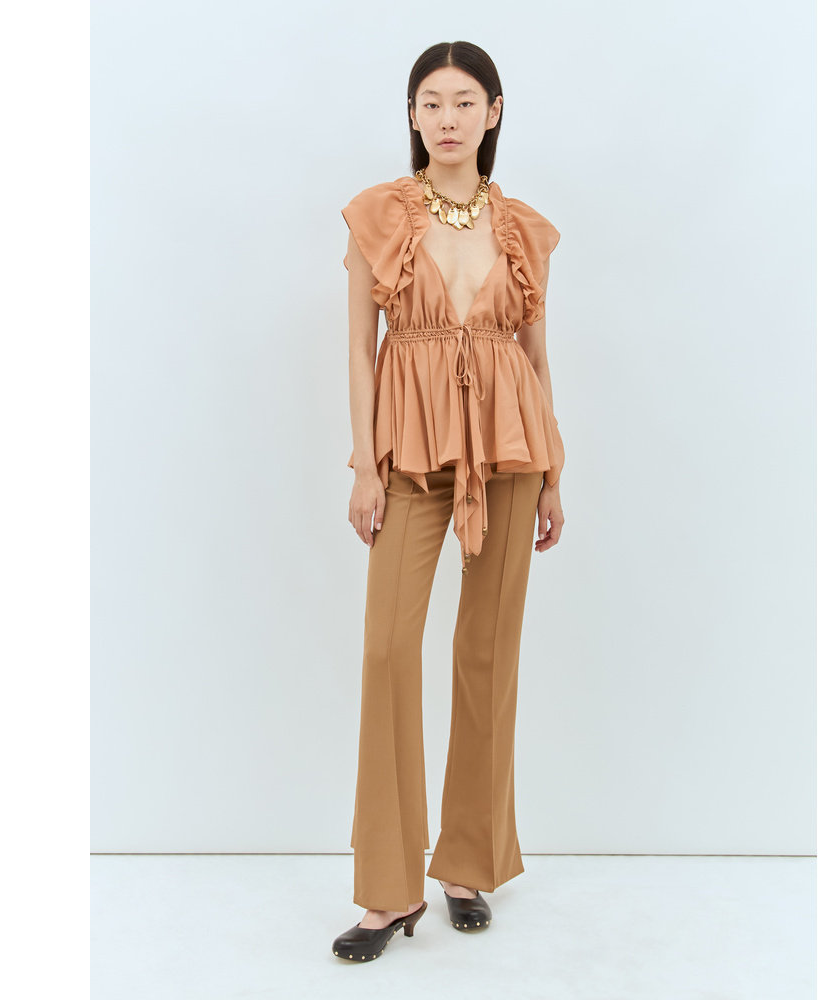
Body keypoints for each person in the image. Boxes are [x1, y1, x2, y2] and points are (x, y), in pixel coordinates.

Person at [331, 41, 566, 963]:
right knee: (389, 648)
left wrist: (554, 469)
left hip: (512, 450)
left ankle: (467, 865)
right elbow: (360, 350)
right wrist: (365, 465)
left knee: (488, 650)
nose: (447, 118)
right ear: (413, 114)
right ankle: (389, 889)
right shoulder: (381, 215)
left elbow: (536, 356)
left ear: (493, 112)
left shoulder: (522, 230)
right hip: (411, 451)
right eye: (431, 102)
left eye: (465, 101)